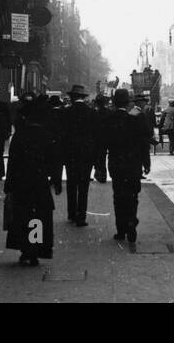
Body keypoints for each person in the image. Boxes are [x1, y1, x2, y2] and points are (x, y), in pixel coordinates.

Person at [4, 96, 60, 266]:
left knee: (24, 215)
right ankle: (36, 249)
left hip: (22, 182)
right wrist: (56, 180)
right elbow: (54, 161)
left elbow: (12, 162)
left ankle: (26, 249)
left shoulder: (20, 136)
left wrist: (9, 184)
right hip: (39, 182)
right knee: (39, 216)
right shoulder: (46, 135)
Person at [102, 88, 153, 242]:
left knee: (118, 197)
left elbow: (103, 142)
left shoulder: (109, 119)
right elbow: (145, 142)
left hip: (116, 164)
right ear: (128, 102)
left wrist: (100, 165)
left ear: (114, 102)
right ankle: (132, 225)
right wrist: (146, 162)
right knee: (132, 196)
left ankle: (121, 230)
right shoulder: (137, 117)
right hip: (133, 164)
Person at [61, 84, 96, 226]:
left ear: (72, 97)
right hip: (86, 155)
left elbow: (62, 135)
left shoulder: (66, 113)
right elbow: (95, 136)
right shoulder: (91, 113)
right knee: (83, 187)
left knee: (71, 184)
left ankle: (71, 213)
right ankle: (81, 216)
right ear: (83, 97)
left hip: (70, 154)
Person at [91, 93, 111, 182]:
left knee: (98, 157)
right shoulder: (109, 112)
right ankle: (102, 175)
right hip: (107, 138)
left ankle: (100, 174)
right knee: (103, 157)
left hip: (97, 139)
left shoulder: (94, 113)